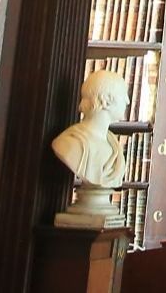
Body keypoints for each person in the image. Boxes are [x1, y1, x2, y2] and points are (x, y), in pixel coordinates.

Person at [51, 70, 133, 227]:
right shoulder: (69, 143)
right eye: (124, 94)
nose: (128, 101)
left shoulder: (113, 145)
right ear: (107, 100)